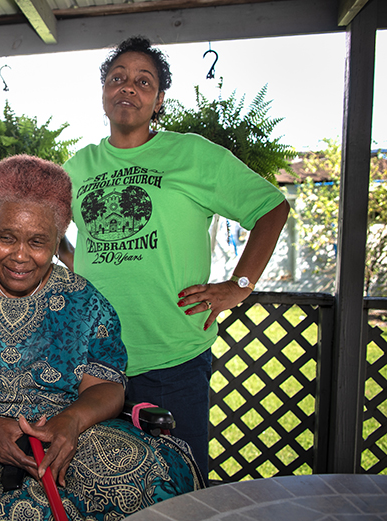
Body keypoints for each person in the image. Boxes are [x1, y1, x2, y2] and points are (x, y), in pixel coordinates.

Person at [0, 155, 203, 521]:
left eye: (38, 242)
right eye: (6, 238)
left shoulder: (84, 299)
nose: (20, 256)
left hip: (62, 425)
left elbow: (107, 385)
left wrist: (72, 422)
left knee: (146, 472)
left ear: (58, 241)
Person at [61, 36, 290, 479]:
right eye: (118, 78)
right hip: (93, 364)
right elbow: (45, 226)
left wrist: (239, 285)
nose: (128, 87)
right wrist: (72, 260)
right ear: (104, 92)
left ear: (159, 99)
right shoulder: (78, 166)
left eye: (143, 81)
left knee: (179, 487)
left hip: (171, 359)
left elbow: (271, 208)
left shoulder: (191, 154)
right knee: (100, 485)